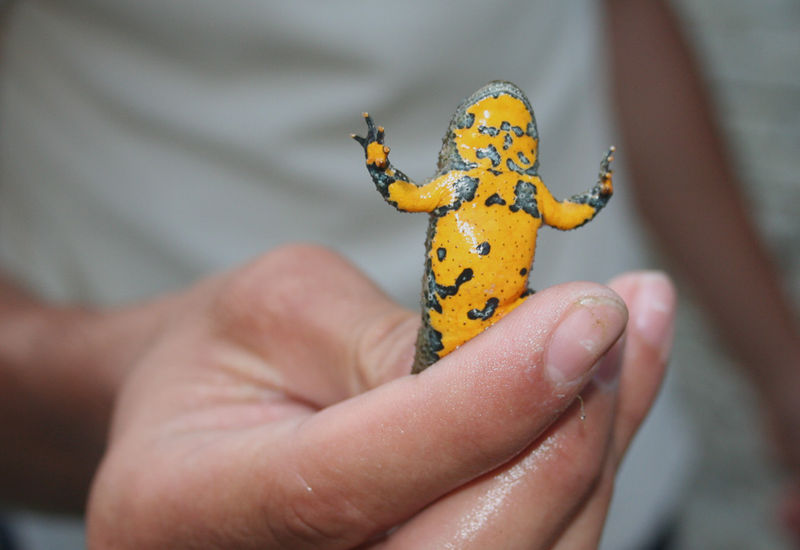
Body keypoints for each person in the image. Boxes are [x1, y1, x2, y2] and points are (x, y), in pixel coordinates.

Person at [0, 0, 797, 548]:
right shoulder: (460, 184)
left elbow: (622, 18)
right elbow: (410, 191)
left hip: (612, 435)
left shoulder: (519, 190)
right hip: (194, 438)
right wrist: (116, 385)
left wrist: (782, 363)